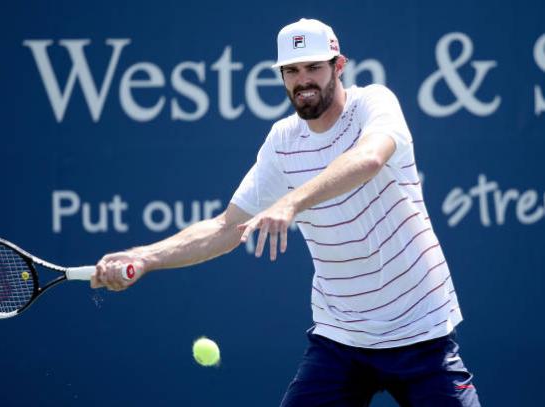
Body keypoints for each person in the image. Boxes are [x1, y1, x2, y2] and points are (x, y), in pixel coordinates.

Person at [91, 18, 481, 407]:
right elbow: (227, 227)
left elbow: (369, 158)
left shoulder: (373, 103)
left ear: (338, 66)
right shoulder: (282, 142)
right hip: (340, 340)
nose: (303, 79)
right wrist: (144, 258)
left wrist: (292, 201)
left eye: (314, 67)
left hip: (421, 332)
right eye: (292, 70)